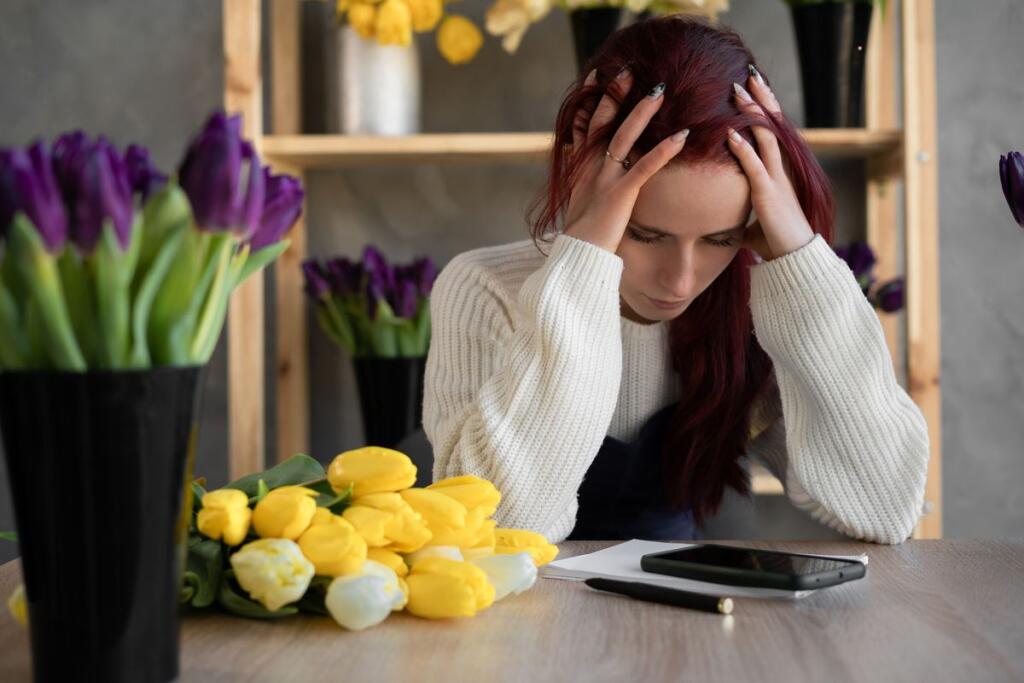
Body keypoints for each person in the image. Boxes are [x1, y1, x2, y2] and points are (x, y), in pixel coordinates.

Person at [422, 16, 930, 545]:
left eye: (719, 240)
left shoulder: (761, 309)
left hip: (694, 620)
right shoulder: (483, 289)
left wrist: (802, 260)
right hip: (526, 622)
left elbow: (886, 509)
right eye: (644, 234)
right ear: (581, 174)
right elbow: (497, 534)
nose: (681, 282)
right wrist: (583, 262)